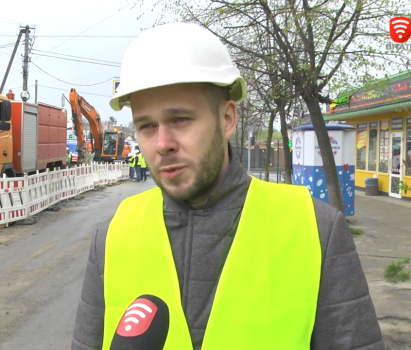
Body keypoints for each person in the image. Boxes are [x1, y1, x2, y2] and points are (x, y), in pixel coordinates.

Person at [71, 22, 384, 350]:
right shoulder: (113, 235)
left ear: (227, 119)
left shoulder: (315, 229)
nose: (162, 143)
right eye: (147, 126)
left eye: (180, 119)